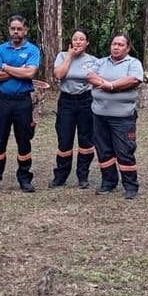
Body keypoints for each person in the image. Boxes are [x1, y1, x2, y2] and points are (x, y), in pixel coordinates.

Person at [0, 15, 42, 193]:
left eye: (19, 29)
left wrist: (6, 68)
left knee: (23, 140)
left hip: (23, 101)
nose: (16, 32)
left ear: (25, 30)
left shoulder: (32, 50)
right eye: (13, 29)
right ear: (9, 30)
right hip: (3, 101)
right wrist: (19, 70)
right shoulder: (0, 50)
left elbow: (29, 74)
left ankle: (25, 179)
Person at [86, 33, 144, 199]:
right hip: (99, 115)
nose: (116, 47)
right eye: (114, 44)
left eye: (120, 44)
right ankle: (108, 181)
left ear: (127, 48)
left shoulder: (133, 63)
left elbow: (132, 80)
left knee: (125, 151)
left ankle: (130, 186)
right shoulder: (101, 62)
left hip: (123, 117)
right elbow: (90, 76)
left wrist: (110, 85)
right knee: (103, 150)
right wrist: (110, 84)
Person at [51, 28, 99, 189]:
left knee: (86, 139)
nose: (78, 42)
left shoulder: (93, 61)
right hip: (66, 101)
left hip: (86, 101)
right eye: (75, 39)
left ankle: (83, 175)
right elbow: (59, 75)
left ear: (87, 43)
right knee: (64, 139)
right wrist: (70, 56)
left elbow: (97, 80)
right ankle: (60, 176)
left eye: (81, 39)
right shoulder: (62, 56)